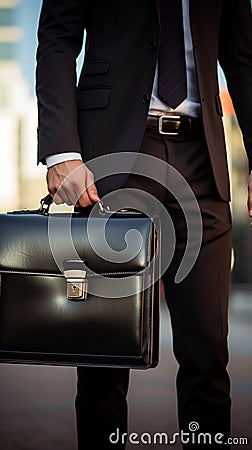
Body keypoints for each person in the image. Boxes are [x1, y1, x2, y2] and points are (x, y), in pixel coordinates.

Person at [36, 0, 252, 448]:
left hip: (203, 162)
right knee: (104, 360)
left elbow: (243, 57)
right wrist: (61, 153)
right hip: (113, 158)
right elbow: (57, 37)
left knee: (209, 359)